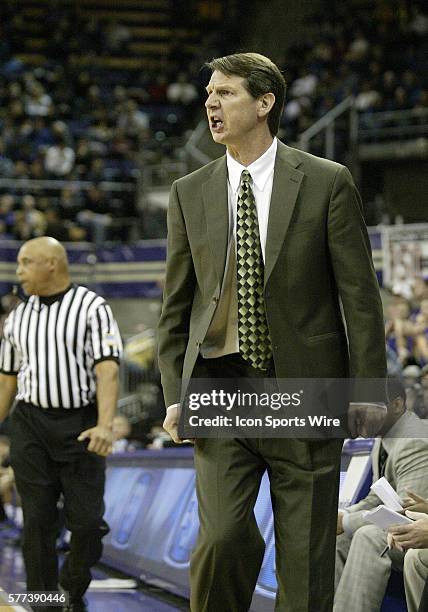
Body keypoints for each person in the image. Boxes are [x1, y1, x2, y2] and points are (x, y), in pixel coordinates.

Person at [157, 52, 386, 612]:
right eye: (209, 94)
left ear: (265, 104)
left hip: (304, 392)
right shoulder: (189, 191)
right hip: (220, 389)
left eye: (226, 93)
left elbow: (360, 298)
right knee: (222, 540)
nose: (211, 103)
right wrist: (174, 396)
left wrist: (367, 391)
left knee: (306, 564)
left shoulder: (327, 181)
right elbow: (176, 306)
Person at [0, 236, 122, 612]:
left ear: (51, 263)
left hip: (81, 425)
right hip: (31, 423)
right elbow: (7, 379)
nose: (18, 271)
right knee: (37, 521)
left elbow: (108, 370)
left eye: (25, 262)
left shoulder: (92, 307)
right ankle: (43, 603)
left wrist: (105, 425)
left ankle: (71, 589)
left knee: (87, 523)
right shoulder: (17, 317)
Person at [335, 378, 428, 612]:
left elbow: (407, 512)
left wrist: (346, 522)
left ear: (396, 406)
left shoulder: (414, 439)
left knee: (369, 536)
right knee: (336, 538)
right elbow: (376, 498)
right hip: (412, 526)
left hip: (417, 530)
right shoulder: (383, 436)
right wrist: (343, 515)